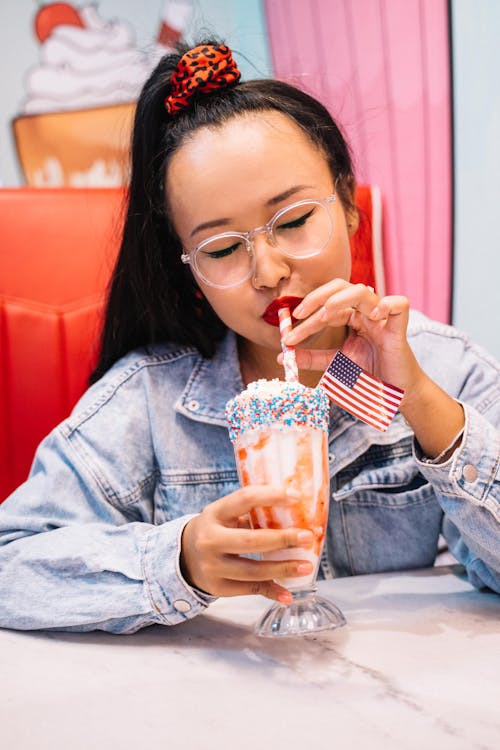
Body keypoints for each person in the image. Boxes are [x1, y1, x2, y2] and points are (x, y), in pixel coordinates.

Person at [0, 41, 498, 633]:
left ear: (347, 205)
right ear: (187, 264)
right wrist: (178, 561)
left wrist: (418, 398)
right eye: (222, 248)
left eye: (292, 222)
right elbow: (12, 567)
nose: (267, 271)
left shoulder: (447, 368)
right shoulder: (151, 401)